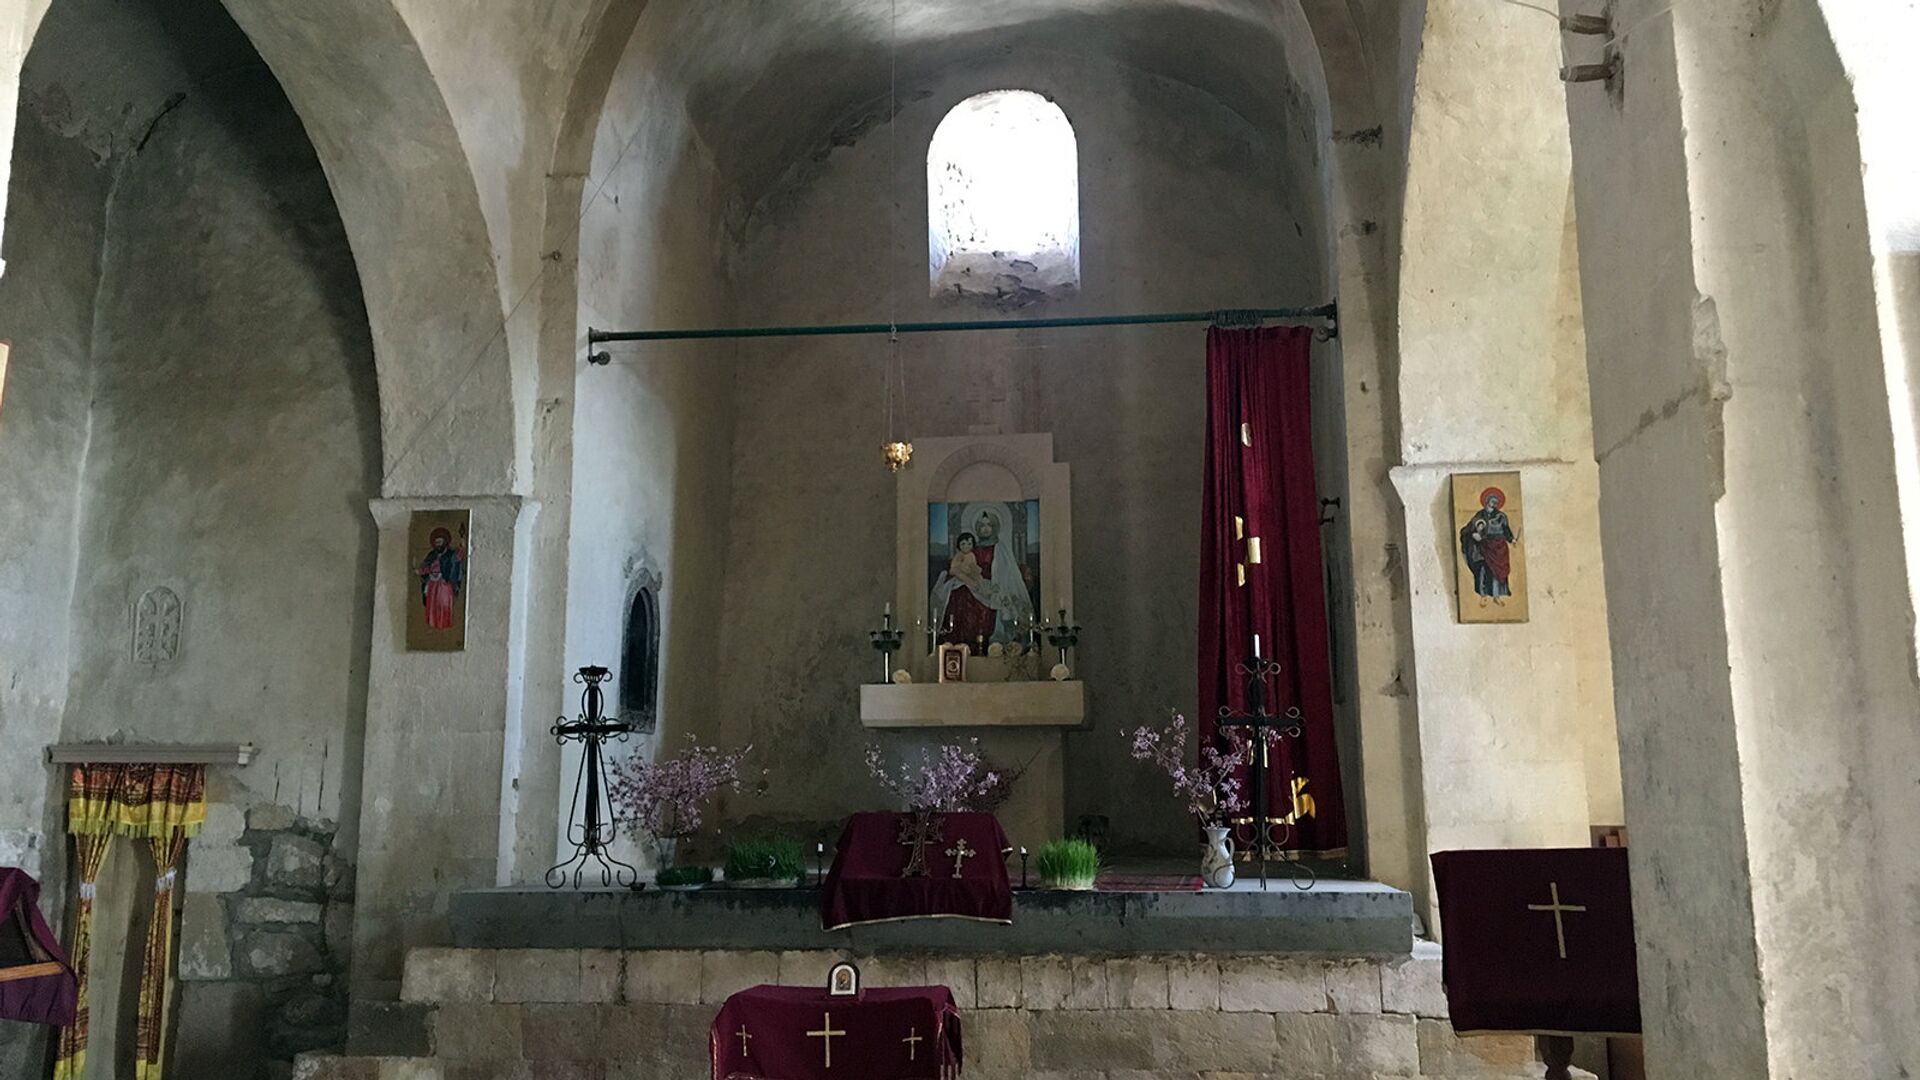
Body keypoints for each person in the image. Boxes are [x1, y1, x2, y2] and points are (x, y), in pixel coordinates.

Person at [1459, 487, 1518, 605]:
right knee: (1483, 570)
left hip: (1499, 547)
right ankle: (1483, 596)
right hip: (1484, 546)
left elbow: (1506, 530)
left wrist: (1511, 539)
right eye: (1492, 500)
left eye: (1496, 501)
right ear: (1487, 501)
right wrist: (1473, 534)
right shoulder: (1480, 515)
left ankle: (1496, 596)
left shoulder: (1501, 516)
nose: (1494, 503)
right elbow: (1468, 529)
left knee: (1497, 572)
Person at [419, 527, 464, 628]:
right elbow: (425, 568)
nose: (438, 544)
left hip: (444, 584)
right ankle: (433, 625)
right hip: (432, 585)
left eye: (440, 542)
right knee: (433, 606)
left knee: (443, 606)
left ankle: (443, 625)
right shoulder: (432, 555)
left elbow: (458, 558)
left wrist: (462, 545)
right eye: (436, 542)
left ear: (445, 542)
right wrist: (424, 571)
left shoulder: (450, 554)